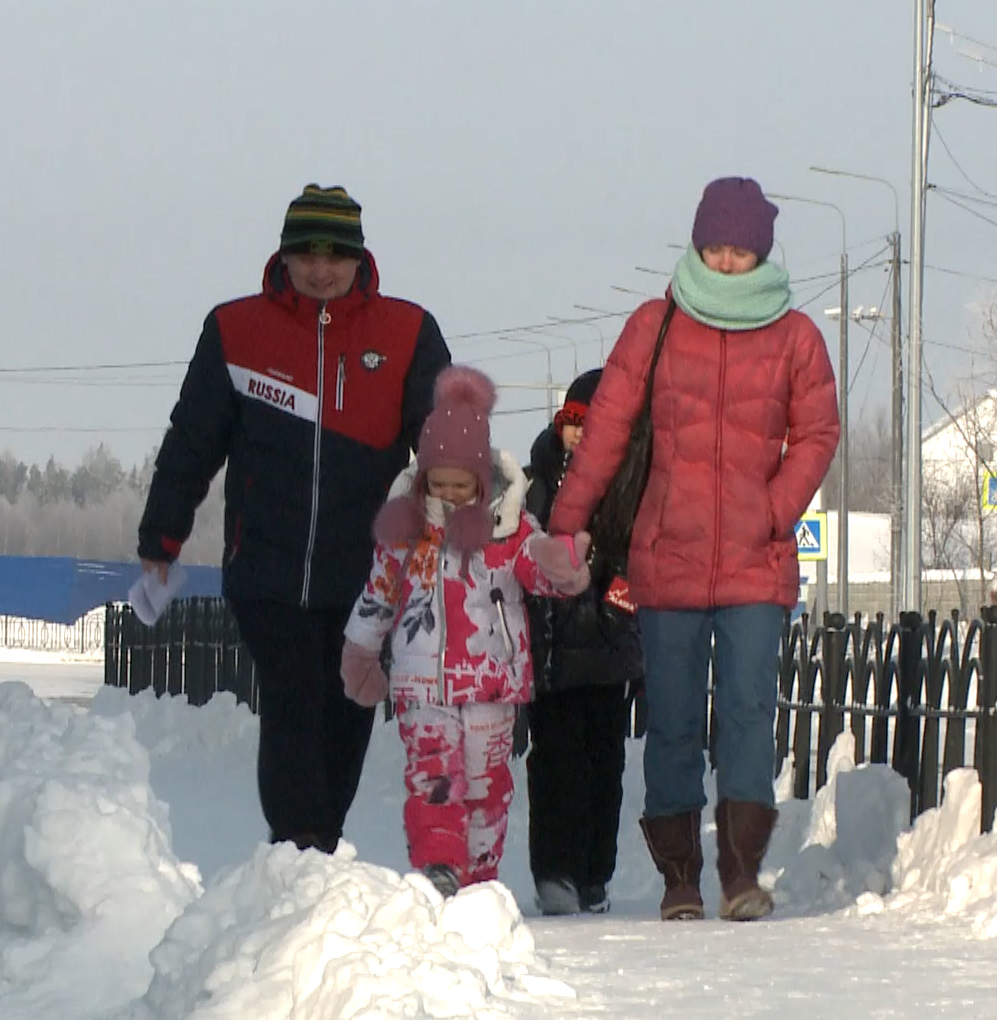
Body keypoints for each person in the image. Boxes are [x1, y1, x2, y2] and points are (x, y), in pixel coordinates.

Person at [547, 176, 840, 922]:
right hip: (666, 556)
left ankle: (740, 875)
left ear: (761, 251)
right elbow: (608, 427)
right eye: (713, 247)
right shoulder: (656, 324)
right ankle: (680, 877)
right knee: (673, 721)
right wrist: (566, 522)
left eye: (739, 250)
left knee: (745, 714)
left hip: (755, 560)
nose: (725, 262)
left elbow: (818, 433)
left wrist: (774, 509)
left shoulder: (795, 336)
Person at [136, 183, 452, 854]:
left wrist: (460, 525)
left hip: (366, 570)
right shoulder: (235, 328)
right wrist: (162, 534)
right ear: (283, 256)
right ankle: (297, 842)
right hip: (265, 567)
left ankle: (321, 842)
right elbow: (194, 439)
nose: (320, 269)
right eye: (306, 253)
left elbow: (445, 443)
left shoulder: (406, 332)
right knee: (294, 696)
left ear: (359, 258)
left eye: (335, 254)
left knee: (347, 702)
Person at [339, 366, 591, 898]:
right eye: (439, 482)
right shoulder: (406, 528)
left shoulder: (510, 526)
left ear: (482, 478)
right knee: (435, 776)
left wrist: (559, 563)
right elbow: (380, 592)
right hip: (420, 681)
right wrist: (361, 648)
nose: (450, 495)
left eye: (461, 484)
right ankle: (439, 866)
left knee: (485, 783)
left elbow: (537, 572)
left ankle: (478, 880)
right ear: (423, 475)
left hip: (490, 679)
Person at [523, 369, 644, 916]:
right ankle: (555, 872)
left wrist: (619, 602)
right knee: (554, 762)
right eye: (571, 421)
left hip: (607, 648)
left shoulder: (629, 486)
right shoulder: (534, 484)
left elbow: (638, 553)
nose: (578, 433)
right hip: (550, 648)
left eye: (591, 424)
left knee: (603, 765)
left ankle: (594, 872)